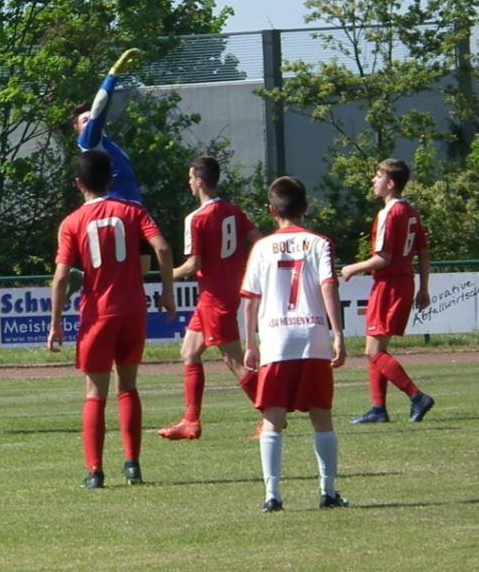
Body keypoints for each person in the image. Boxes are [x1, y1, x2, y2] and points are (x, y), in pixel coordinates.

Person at [47, 150, 176, 489]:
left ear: (78, 184)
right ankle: (132, 466)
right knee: (128, 387)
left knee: (95, 392)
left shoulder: (72, 222)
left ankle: (95, 472)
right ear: (110, 180)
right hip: (132, 309)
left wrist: (55, 322)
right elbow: (162, 248)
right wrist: (167, 292)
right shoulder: (132, 210)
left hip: (97, 313)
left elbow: (61, 277)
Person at [240, 176, 348, 513]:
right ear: (306, 207)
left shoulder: (261, 247)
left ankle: (272, 496)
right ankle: (327, 492)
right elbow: (328, 286)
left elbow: (250, 300)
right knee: (322, 416)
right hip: (312, 337)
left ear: (271, 210)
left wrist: (250, 343)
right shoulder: (320, 243)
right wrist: (338, 333)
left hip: (276, 340)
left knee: (272, 419)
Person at [157, 156, 262, 441]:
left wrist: (166, 276)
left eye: (191, 178)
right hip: (220, 294)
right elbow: (259, 240)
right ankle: (190, 421)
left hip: (215, 298)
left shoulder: (197, 218)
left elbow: (194, 264)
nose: (189, 182)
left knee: (234, 361)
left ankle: (270, 415)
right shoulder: (233, 211)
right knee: (189, 352)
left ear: (200, 181)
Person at [341, 158, 434, 425]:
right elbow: (423, 252)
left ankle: (417, 396)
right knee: (377, 348)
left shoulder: (388, 214)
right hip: (404, 282)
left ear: (390, 183)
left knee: (374, 351)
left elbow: (384, 259)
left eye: (378, 176)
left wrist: (352, 268)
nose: (374, 180)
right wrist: (423, 288)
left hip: (389, 284)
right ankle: (378, 409)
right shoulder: (411, 212)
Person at [68, 48, 152, 291]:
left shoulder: (108, 144)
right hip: (119, 212)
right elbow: (98, 109)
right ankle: (85, 278)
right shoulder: (89, 141)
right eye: (83, 121)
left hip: (134, 209)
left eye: (89, 119)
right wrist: (113, 75)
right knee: (122, 272)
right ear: (78, 130)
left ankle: (86, 277)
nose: (89, 122)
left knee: (142, 270)